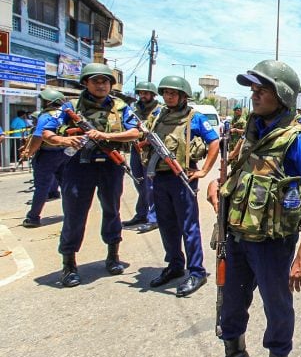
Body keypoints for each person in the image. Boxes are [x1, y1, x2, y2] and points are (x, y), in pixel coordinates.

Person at [193, 60, 301, 357]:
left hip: (272, 244)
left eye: (262, 88)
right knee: (230, 303)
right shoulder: (252, 129)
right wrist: (216, 188)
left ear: (281, 94)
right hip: (236, 236)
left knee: (277, 309)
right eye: (252, 88)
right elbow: (235, 174)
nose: (254, 94)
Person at [41, 63, 141, 287]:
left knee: (112, 211)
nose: (101, 85)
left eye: (105, 81)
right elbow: (46, 132)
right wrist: (64, 140)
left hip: (110, 164)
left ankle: (113, 255)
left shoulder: (120, 106)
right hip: (78, 166)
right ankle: (69, 263)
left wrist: (106, 135)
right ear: (85, 83)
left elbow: (136, 131)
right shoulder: (70, 106)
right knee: (74, 214)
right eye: (96, 80)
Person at [144, 76, 220, 297]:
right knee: (166, 225)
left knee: (189, 227)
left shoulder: (194, 118)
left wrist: (204, 170)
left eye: (173, 93)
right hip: (159, 178)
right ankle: (175, 265)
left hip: (182, 177)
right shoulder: (158, 115)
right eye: (166, 92)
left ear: (184, 96)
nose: (169, 96)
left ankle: (197, 271)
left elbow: (214, 141)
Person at [21, 89, 68, 228]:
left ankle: (33, 217)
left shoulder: (46, 116)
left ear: (49, 102)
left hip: (47, 154)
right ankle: (71, 215)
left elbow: (38, 136)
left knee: (41, 187)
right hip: (65, 153)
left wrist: (29, 152)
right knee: (66, 186)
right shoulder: (66, 115)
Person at [122, 81, 161, 233]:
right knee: (139, 182)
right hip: (136, 149)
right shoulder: (133, 110)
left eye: (146, 93)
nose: (143, 96)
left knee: (150, 186)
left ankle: (153, 218)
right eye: (141, 93)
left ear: (152, 94)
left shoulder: (159, 111)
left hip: (151, 151)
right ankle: (141, 214)